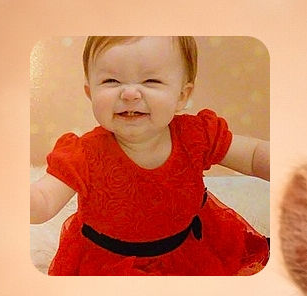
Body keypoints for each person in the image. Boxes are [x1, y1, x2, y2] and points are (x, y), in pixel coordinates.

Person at [30, 36, 270, 275]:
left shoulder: (195, 135)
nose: (130, 93)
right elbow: (43, 201)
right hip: (109, 263)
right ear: (90, 92)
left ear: (182, 96)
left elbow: (252, 156)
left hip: (189, 251)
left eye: (151, 80)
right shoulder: (83, 153)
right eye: (111, 80)